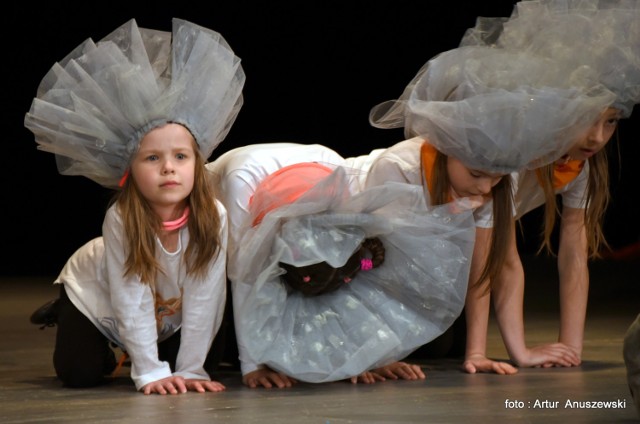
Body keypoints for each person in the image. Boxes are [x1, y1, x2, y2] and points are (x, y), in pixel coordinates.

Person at [24, 18, 245, 394]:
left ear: (198, 163)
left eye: (180, 156)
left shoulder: (214, 216)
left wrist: (190, 369)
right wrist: (148, 370)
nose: (169, 168)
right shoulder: (123, 217)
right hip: (103, 291)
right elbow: (131, 296)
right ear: (130, 170)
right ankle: (67, 312)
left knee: (203, 366)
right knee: (80, 374)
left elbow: (207, 294)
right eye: (152, 159)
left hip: (166, 304)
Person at [458, 0, 640, 374]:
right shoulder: (508, 158)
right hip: (440, 248)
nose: (597, 137)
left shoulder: (580, 168)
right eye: (587, 119)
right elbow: (495, 258)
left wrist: (570, 348)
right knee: (436, 340)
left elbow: (574, 255)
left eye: (611, 122)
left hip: (465, 256)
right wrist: (479, 351)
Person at [207, 146, 467, 388]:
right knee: (225, 336)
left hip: (307, 213)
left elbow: (348, 277)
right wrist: (252, 366)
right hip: (217, 236)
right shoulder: (240, 185)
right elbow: (244, 276)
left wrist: (361, 357)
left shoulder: (342, 184)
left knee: (439, 344)